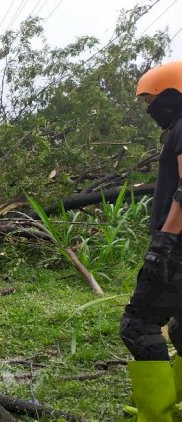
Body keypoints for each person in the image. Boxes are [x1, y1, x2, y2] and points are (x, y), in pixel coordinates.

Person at [119, 61, 182, 421]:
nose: (149, 109)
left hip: (177, 248)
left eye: (151, 100)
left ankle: (157, 415)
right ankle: (165, 401)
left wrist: (164, 242)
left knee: (138, 326)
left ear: (171, 95)